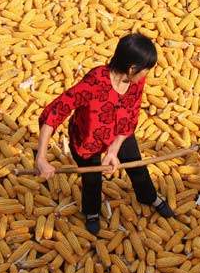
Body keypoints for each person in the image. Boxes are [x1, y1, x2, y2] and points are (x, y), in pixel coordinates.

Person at [34, 33, 174, 235]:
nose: (146, 75)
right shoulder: (94, 83)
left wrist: (113, 151)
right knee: (92, 179)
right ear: (132, 68)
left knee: (137, 167)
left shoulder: (135, 82)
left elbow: (130, 116)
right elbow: (53, 113)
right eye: (145, 70)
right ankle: (91, 212)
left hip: (120, 134)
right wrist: (41, 158)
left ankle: (148, 196)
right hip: (87, 139)